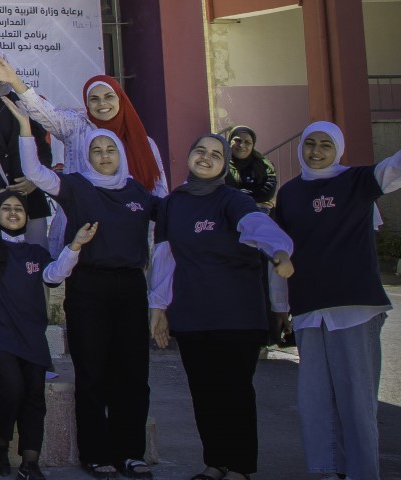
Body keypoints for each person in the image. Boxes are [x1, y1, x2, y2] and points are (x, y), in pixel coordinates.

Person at [14, 123, 160, 478]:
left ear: (120, 155)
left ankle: (131, 453)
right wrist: (24, 130)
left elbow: (169, 225)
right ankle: (96, 454)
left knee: (132, 374)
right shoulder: (77, 187)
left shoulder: (138, 192)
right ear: (88, 156)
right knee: (92, 372)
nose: (104, 156)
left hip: (130, 288)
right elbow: (34, 172)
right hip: (88, 287)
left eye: (110, 150)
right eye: (97, 151)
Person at [149, 135, 296, 480]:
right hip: (192, 316)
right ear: (189, 155)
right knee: (204, 393)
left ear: (224, 164)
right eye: (200, 150)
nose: (206, 157)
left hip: (236, 316)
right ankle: (215, 463)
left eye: (215, 154)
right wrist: (158, 308)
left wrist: (280, 251)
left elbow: (257, 227)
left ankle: (240, 468)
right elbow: (165, 258)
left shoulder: (233, 200)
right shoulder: (173, 204)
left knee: (235, 393)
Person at [272, 121, 400, 480]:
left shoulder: (357, 181)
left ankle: (363, 473)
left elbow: (395, 167)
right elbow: (281, 252)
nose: (316, 151)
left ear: (338, 148)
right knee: (314, 401)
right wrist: (280, 307)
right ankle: (328, 470)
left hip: (354, 309)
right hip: (310, 311)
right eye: (310, 143)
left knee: (357, 402)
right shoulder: (290, 193)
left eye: (325, 144)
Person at [0, 143, 85, 480]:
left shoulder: (35, 250)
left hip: (30, 335)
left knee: (34, 393)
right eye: (7, 209)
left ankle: (30, 462)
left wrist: (73, 248)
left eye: (19, 208)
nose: (14, 212)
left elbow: (54, 275)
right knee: (12, 384)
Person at [0, 54, 168, 197]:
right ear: (87, 104)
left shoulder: (145, 143)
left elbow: (159, 191)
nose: (102, 104)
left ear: (121, 100)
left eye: (109, 97)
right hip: (84, 225)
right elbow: (45, 113)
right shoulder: (76, 128)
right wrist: (14, 80)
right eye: (94, 99)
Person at [0, 46, 56, 250]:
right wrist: (1, 191)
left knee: (35, 262)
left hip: (30, 195)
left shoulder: (25, 102)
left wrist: (36, 180)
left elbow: (42, 145)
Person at [224, 125, 277, 211]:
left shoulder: (265, 164)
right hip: (227, 210)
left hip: (256, 211)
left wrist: (243, 199)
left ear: (253, 145)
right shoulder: (220, 163)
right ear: (230, 141)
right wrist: (255, 202)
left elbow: (268, 192)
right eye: (237, 140)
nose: (241, 145)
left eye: (247, 142)